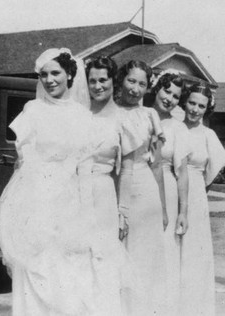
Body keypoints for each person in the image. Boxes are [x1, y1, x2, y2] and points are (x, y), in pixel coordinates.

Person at [0, 48, 99, 315]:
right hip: (35, 200)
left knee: (66, 275)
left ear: (70, 74)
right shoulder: (32, 110)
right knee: (34, 268)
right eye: (44, 75)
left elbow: (85, 167)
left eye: (56, 73)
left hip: (69, 201)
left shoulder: (82, 116)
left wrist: (87, 213)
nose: (50, 80)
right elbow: (23, 161)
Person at [84, 55, 143, 315]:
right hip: (74, 193)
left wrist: (123, 212)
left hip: (104, 194)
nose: (98, 86)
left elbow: (126, 170)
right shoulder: (78, 115)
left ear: (113, 81)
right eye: (92, 80)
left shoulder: (122, 119)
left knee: (103, 260)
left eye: (103, 80)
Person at [116, 60, 168, 315]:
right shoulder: (110, 111)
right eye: (131, 81)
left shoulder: (150, 115)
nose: (135, 89)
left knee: (143, 256)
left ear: (148, 88)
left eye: (142, 84)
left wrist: (164, 207)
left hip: (145, 191)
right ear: (121, 80)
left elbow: (157, 165)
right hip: (114, 186)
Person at [180, 83, 225, 316]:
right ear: (184, 102)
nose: (195, 110)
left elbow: (213, 169)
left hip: (196, 192)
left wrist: (198, 188)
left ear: (207, 108)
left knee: (194, 249)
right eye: (192, 103)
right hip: (171, 189)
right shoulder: (173, 127)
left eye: (201, 106)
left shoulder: (208, 135)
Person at [147, 70, 189, 313]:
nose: (170, 99)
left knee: (165, 251)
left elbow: (182, 172)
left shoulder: (177, 128)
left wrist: (183, 211)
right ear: (156, 88)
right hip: (140, 184)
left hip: (169, 190)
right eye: (167, 91)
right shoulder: (141, 116)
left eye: (176, 96)